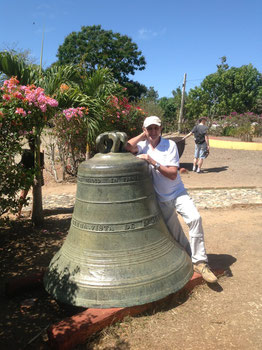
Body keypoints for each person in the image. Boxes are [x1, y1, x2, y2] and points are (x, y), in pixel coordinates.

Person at [125, 116, 217, 283]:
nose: (153, 131)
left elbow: (172, 174)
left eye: (156, 128)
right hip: (160, 198)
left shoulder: (170, 145)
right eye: (150, 128)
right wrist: (142, 135)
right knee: (175, 231)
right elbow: (126, 146)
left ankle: (200, 262)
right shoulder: (142, 145)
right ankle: (190, 255)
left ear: (161, 129)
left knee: (195, 219)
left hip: (177, 193)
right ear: (145, 130)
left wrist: (151, 161)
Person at [17, 137, 44, 218]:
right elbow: (41, 166)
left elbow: (22, 164)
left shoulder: (25, 153)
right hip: (35, 175)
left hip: (26, 175)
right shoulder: (40, 155)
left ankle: (18, 212)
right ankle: (34, 212)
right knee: (35, 193)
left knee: (23, 193)